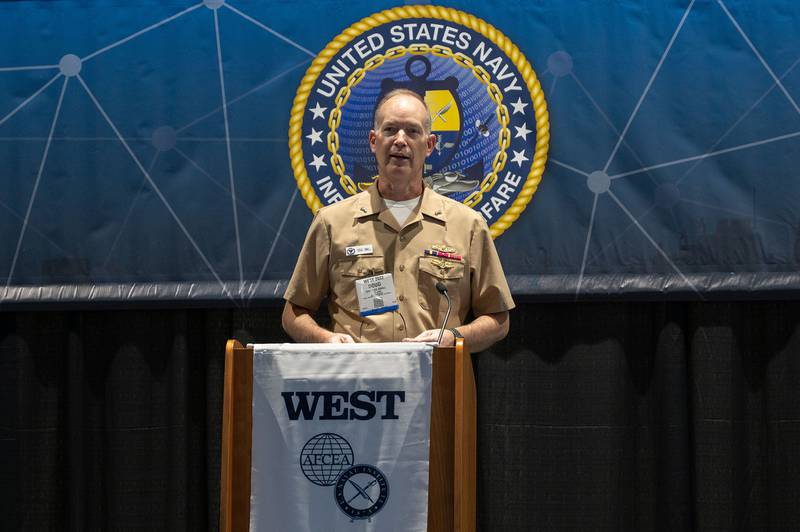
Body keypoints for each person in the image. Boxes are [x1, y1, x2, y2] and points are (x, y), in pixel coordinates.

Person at [282, 89, 514, 351]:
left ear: (429, 145)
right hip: (356, 384)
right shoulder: (331, 222)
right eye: (390, 129)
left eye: (413, 131)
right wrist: (326, 340)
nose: (400, 140)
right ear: (373, 140)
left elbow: (498, 319)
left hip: (438, 383)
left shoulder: (468, 225)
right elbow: (294, 313)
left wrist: (453, 337)